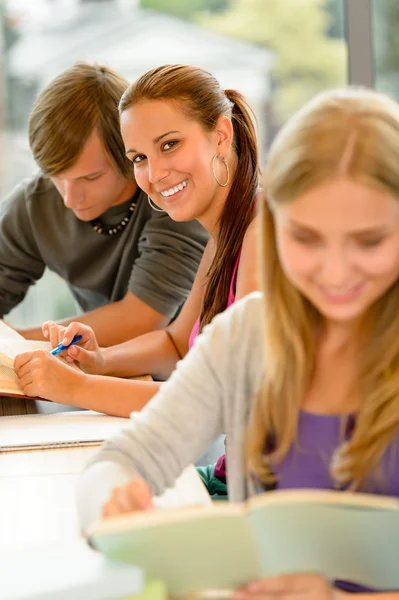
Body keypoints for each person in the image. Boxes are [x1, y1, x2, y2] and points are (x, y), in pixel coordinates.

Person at [76, 86, 399, 598]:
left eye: (369, 240)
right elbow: (123, 459)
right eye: (306, 238)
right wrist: (114, 504)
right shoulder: (246, 335)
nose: (335, 273)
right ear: (275, 224)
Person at [14, 64, 260, 420]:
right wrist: (98, 360)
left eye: (170, 145)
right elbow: (176, 344)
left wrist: (75, 387)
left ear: (221, 134)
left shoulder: (264, 231)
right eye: (140, 158)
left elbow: (224, 399)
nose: (155, 173)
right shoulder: (226, 236)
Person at [0, 62, 207, 347]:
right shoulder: (34, 203)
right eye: (56, 177)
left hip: (188, 376)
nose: (70, 198)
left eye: (91, 177)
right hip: (95, 369)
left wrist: (16, 344)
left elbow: (142, 320)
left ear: (128, 154)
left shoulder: (173, 196)